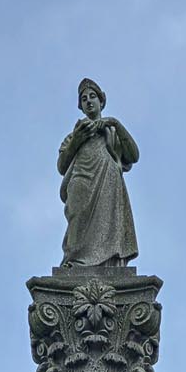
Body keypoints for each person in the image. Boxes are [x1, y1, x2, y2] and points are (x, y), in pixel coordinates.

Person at [58, 78, 139, 268]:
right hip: (81, 181)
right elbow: (62, 166)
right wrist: (77, 139)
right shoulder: (74, 135)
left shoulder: (111, 131)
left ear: (101, 101)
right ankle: (74, 261)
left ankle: (109, 264)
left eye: (92, 96)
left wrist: (114, 123)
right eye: (84, 99)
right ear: (81, 107)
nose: (88, 101)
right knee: (77, 218)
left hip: (108, 181)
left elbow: (134, 155)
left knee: (108, 224)